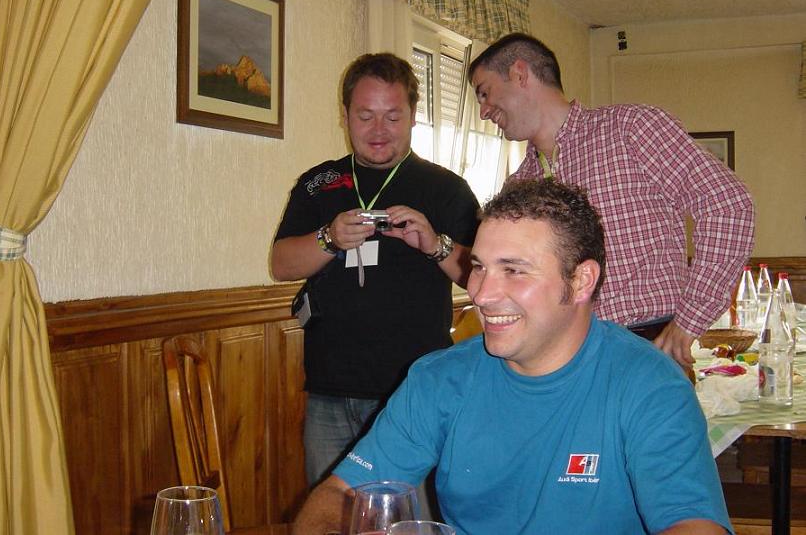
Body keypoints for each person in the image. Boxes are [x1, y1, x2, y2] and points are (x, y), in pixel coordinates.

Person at [292, 179, 732, 535]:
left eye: (514, 270)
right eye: (479, 267)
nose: (482, 294)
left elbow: (694, 524)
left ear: (581, 281)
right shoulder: (440, 378)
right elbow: (338, 496)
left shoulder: (650, 385)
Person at [468, 32, 754, 368]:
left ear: (519, 73)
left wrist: (690, 320)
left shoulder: (631, 129)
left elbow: (728, 204)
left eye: (485, 93)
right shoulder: (519, 183)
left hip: (646, 348)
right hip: (556, 358)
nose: (484, 112)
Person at [271, 52, 480, 487]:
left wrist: (435, 244)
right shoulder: (318, 183)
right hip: (330, 391)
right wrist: (328, 238)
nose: (379, 130)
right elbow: (281, 264)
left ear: (413, 117)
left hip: (415, 392)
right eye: (365, 116)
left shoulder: (446, 188)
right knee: (331, 514)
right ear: (345, 115)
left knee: (412, 515)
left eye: (393, 117)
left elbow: (480, 278)